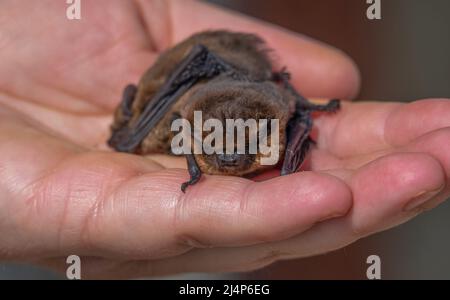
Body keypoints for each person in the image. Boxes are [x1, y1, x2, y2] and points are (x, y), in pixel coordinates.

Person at [0, 0, 448, 279]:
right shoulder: (186, 116)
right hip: (213, 81)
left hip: (230, 83)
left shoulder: (258, 112)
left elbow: (273, 104)